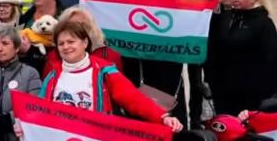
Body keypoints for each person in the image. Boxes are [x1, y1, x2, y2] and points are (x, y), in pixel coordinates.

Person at [37, 19, 183, 131]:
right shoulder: (53, 74)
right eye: (61, 43)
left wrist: (162, 117)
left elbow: (133, 98)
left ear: (85, 42)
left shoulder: (104, 71)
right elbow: (39, 110)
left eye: (71, 41)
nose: (66, 47)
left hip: (95, 140)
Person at [205, 0, 277, 116]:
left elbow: (270, 57)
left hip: (249, 88)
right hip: (223, 85)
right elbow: (213, 41)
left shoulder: (263, 23)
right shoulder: (226, 17)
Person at [43, 7, 124, 77]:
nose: (79, 29)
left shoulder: (110, 55)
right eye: (73, 25)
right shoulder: (54, 55)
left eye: (83, 25)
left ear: (91, 27)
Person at [18, 0, 61, 73]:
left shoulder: (64, 20)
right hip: (23, 73)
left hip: (51, 74)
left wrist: (30, 50)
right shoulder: (24, 18)